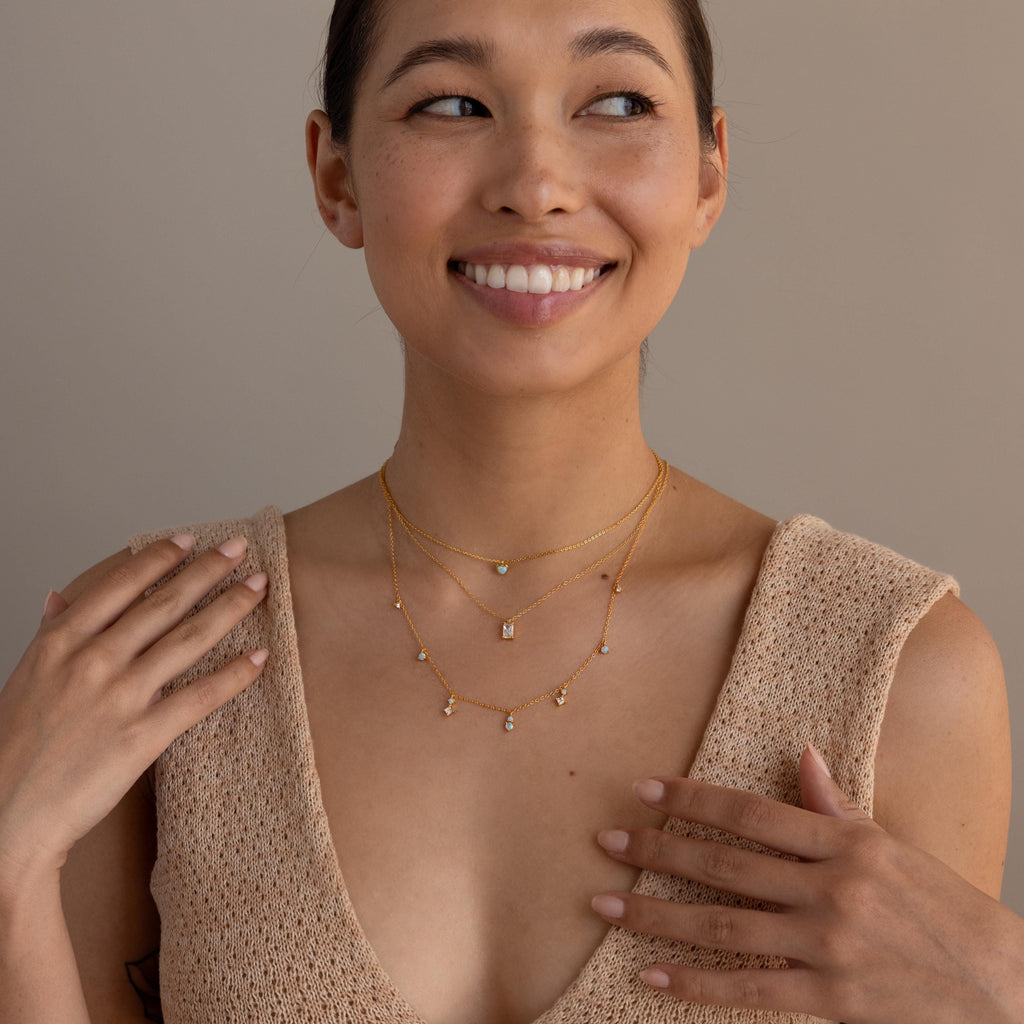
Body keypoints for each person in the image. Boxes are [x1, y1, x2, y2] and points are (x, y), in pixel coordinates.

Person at [0, 0, 1020, 1021]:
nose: (535, 185)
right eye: (451, 104)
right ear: (335, 174)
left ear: (707, 173)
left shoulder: (899, 671)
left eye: (617, 101)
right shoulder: (153, 646)